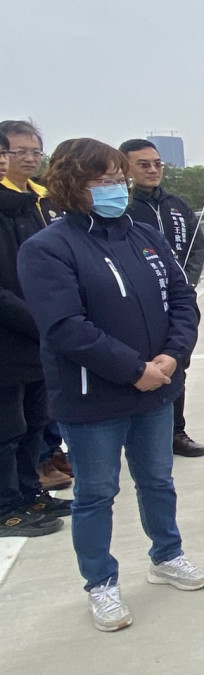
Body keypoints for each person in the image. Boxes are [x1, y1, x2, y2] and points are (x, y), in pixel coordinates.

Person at [16, 138, 204, 632]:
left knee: (157, 479)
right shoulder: (47, 249)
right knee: (97, 493)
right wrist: (133, 369)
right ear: (72, 184)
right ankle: (100, 583)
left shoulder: (144, 236)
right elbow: (65, 328)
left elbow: (182, 301)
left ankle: (167, 555)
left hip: (157, 386)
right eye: (103, 181)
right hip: (92, 396)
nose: (116, 189)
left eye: (119, 179)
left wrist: (171, 356)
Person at [120, 139, 204, 458]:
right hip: (135, 302)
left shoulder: (175, 204)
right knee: (134, 363)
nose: (152, 169)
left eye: (157, 163)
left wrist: (188, 281)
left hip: (177, 298)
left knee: (176, 361)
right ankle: (132, 432)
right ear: (125, 167)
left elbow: (197, 244)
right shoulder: (123, 206)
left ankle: (175, 431)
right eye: (143, 164)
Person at [0, 131, 69, 536]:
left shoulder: (36, 204)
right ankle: (7, 506)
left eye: (34, 151)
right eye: (17, 151)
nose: (28, 159)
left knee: (32, 422)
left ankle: (30, 495)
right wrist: (38, 318)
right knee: (5, 429)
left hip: (37, 339)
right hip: (12, 337)